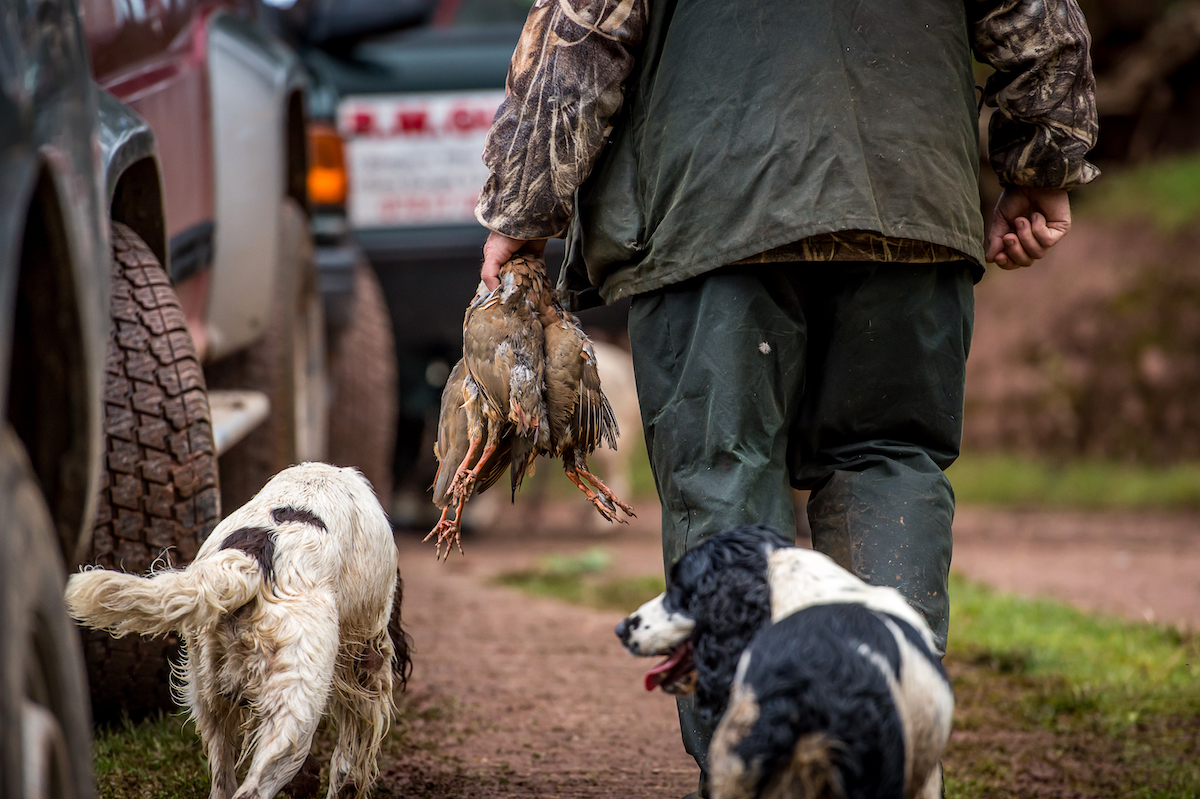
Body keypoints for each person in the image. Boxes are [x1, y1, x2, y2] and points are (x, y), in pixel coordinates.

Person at [474, 1, 1098, 795]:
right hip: (909, 198)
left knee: (723, 469)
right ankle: (892, 743)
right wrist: (1041, 166)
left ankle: (756, 762)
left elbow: (583, 28)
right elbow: (1037, 15)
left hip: (713, 209)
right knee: (889, 460)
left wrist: (524, 209)